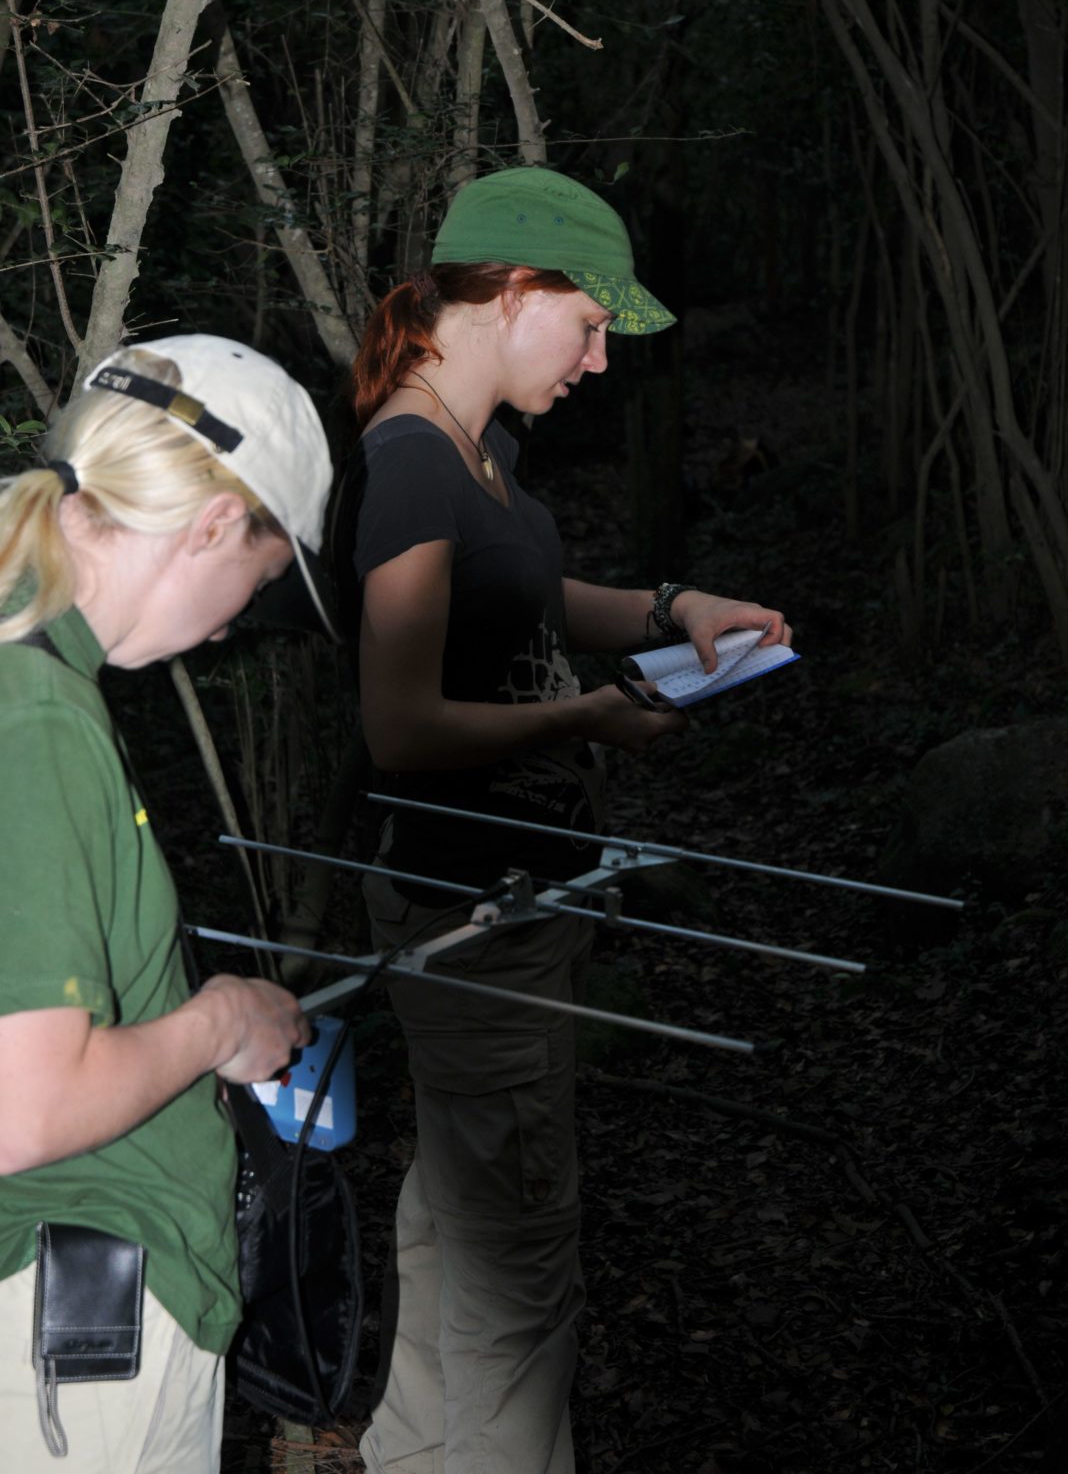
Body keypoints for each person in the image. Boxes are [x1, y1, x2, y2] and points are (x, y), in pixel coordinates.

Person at [336, 166, 793, 1474]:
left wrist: (672, 608)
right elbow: (401, 725)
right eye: (589, 326)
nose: (599, 360)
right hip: (475, 918)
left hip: (506, 910)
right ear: (517, 291)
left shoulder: (476, 449)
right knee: (522, 1285)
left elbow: (529, 597)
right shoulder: (415, 466)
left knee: (457, 1241)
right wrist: (583, 721)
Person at [0, 333, 335, 1472]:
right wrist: (220, 1025)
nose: (240, 618)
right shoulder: (34, 714)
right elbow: (25, 1110)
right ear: (207, 527)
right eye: (264, 572)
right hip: (77, 1326)